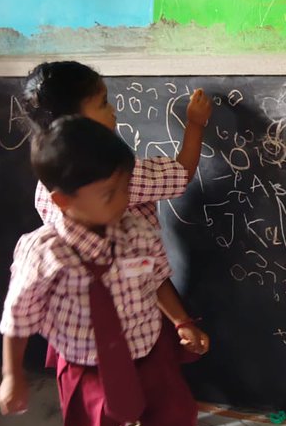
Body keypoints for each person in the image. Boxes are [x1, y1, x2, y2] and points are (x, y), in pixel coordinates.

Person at [0, 117, 210, 426]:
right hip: (93, 373)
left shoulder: (134, 226)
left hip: (147, 352)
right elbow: (17, 317)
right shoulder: (45, 252)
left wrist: (182, 323)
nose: (125, 200)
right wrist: (12, 375)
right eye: (111, 192)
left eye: (125, 187)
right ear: (63, 201)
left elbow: (156, 278)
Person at [21, 61, 211, 368]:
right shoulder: (116, 179)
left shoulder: (50, 181)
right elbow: (181, 173)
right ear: (74, 121)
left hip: (79, 332)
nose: (114, 111)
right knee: (144, 384)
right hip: (131, 318)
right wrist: (196, 124)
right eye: (102, 103)